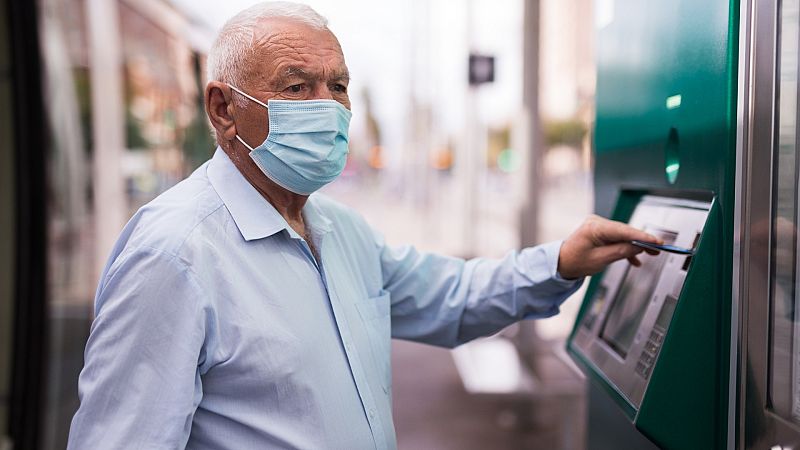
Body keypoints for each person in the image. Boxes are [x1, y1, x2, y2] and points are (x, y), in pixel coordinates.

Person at [67, 2, 661, 449]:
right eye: (297, 87)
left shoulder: (339, 230)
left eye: (340, 87)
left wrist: (559, 262)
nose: (328, 108)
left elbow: (451, 298)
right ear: (224, 110)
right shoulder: (173, 256)